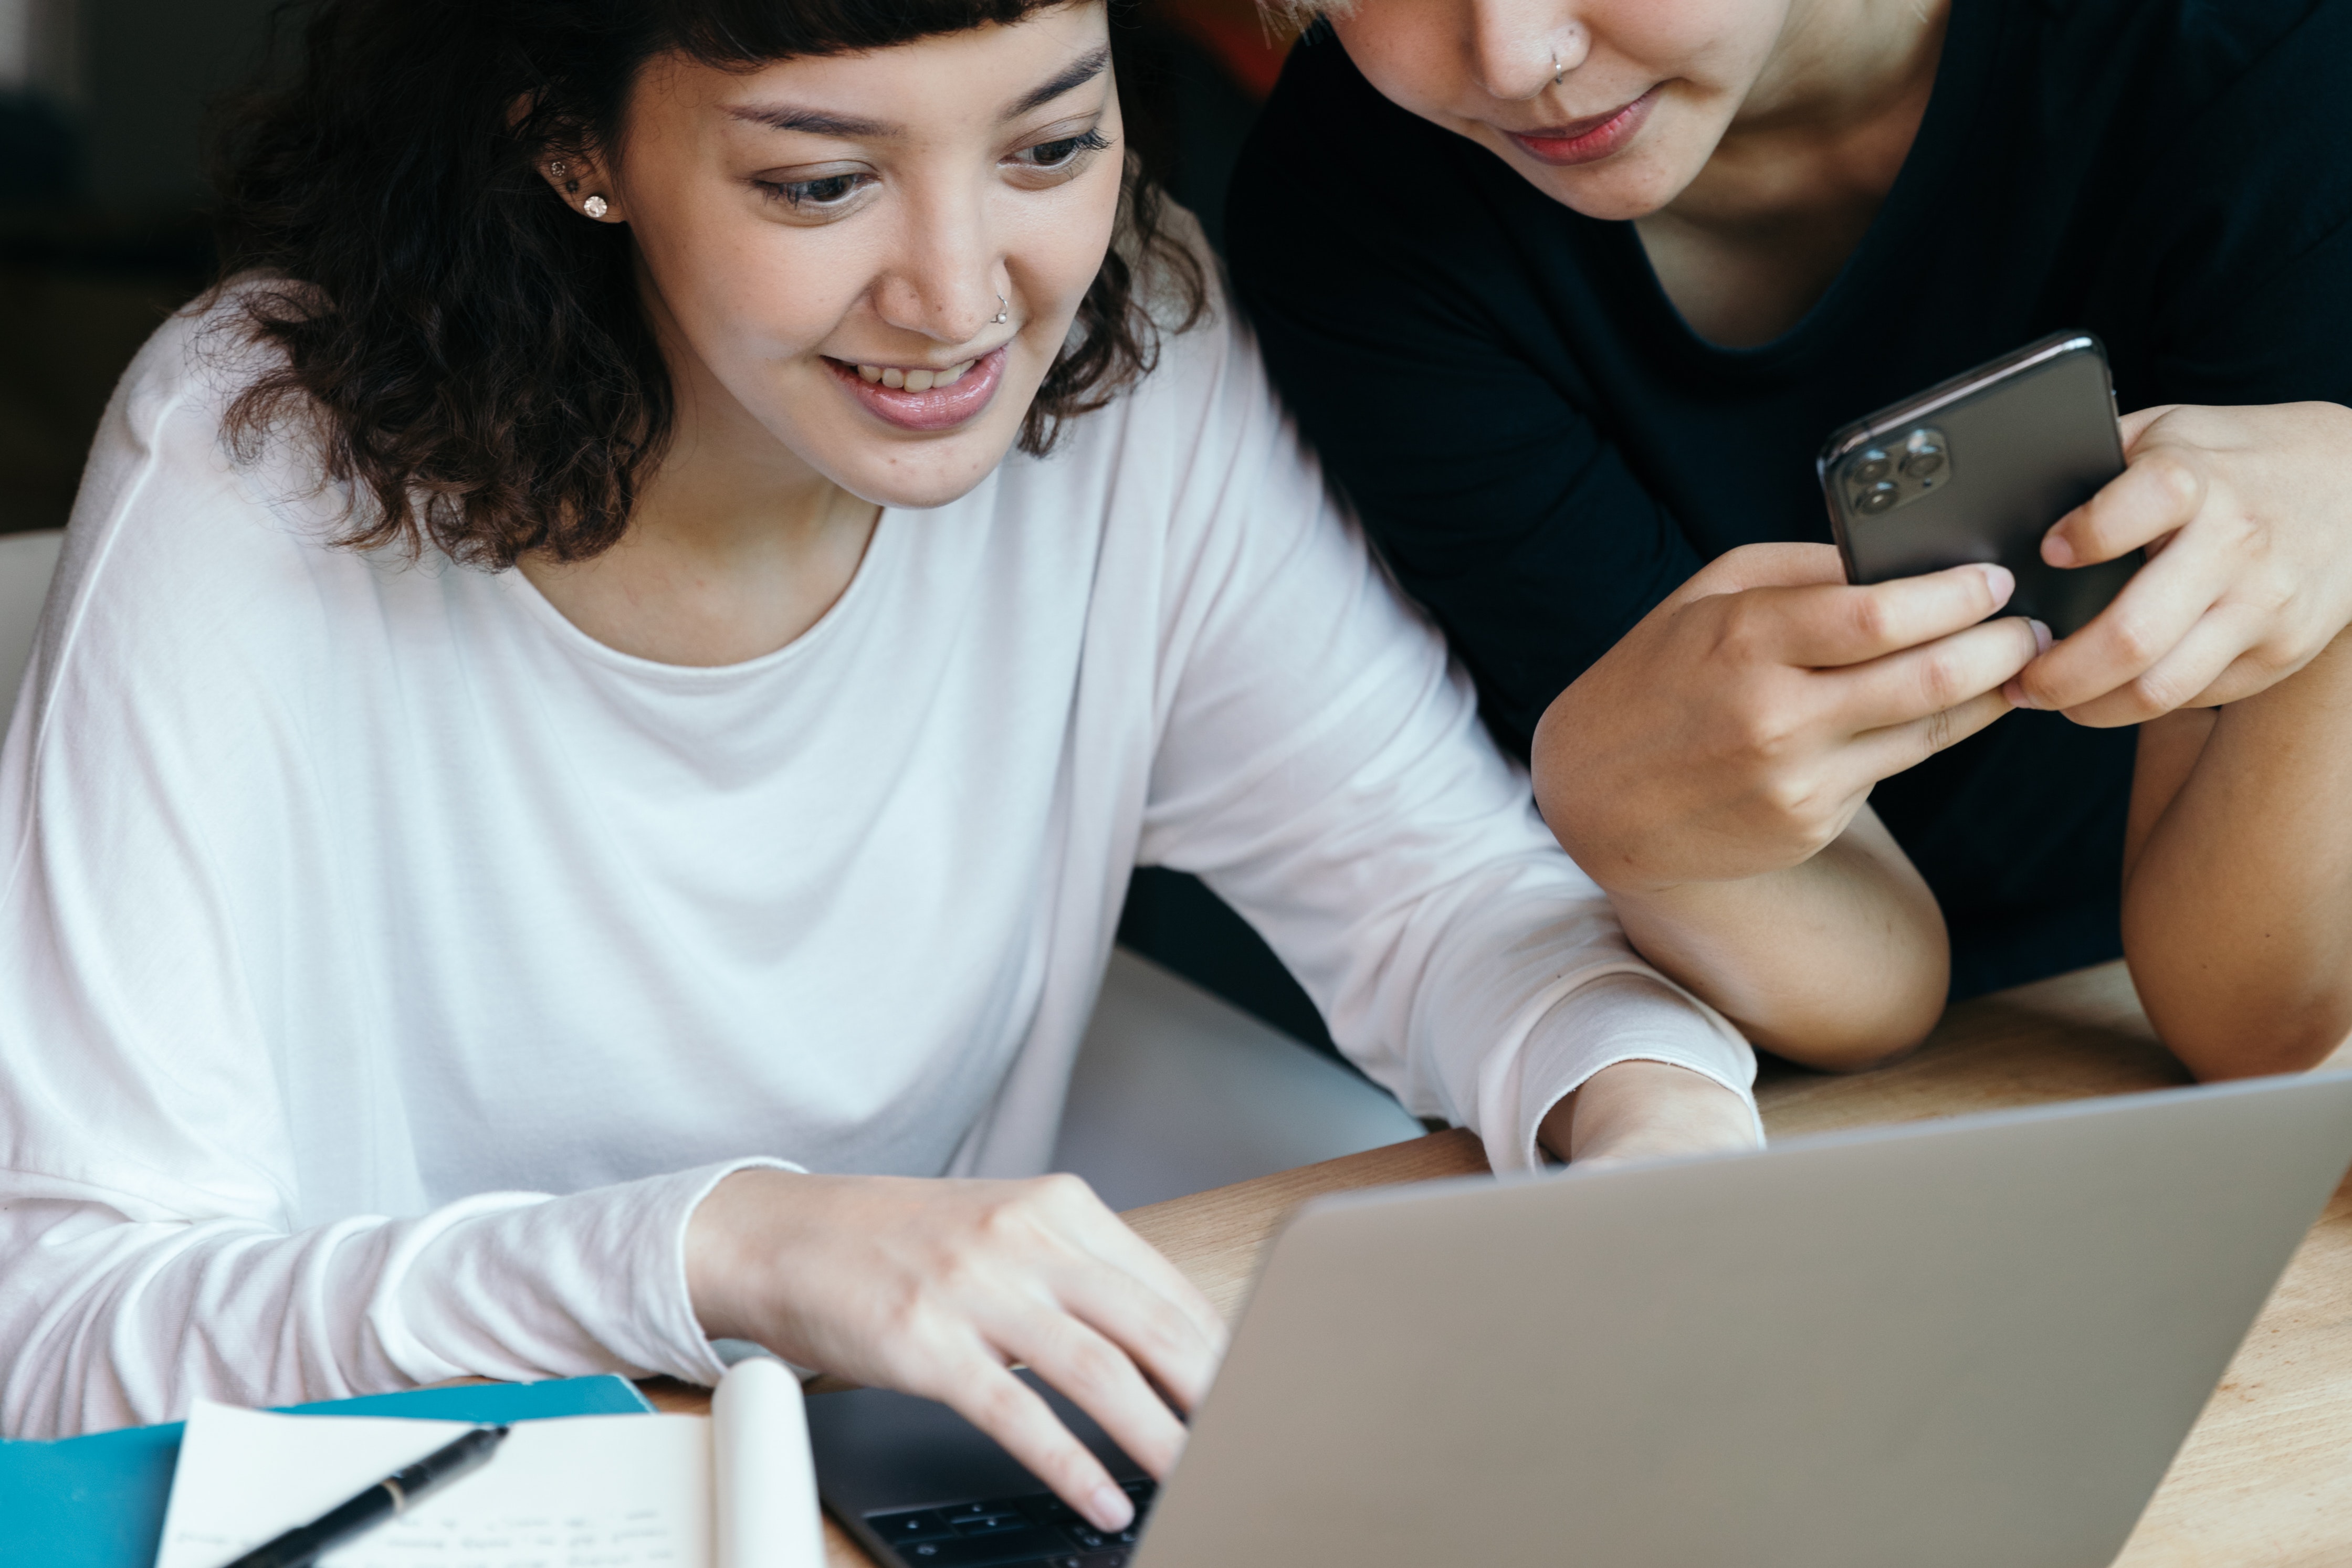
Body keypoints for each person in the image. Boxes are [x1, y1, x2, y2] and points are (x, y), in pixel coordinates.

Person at [0, 0, 1895, 1530]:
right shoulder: (255, 467)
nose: (963, 295)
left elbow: (1444, 894)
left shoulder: (1137, 363)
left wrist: (1650, 1118)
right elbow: (65, 1339)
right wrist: (731, 1247)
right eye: (822, 183)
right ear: (573, 142)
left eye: (1050, 147)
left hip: (892, 1504)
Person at [1227, 0, 2352, 1080]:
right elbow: (1872, 999)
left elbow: (2257, 1021)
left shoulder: (2270, 53)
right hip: (1732, 1056)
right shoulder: (1356, 206)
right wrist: (1614, 818)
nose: (1516, 57)